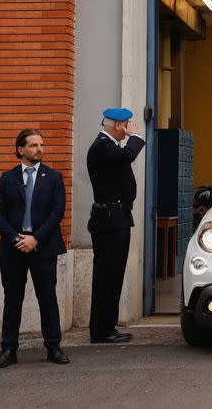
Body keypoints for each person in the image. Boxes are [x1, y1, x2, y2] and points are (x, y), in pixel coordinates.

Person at [0, 129, 69, 368]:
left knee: (47, 298)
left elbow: (57, 213)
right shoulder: (7, 178)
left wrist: (35, 239)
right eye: (34, 145)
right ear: (20, 149)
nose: (40, 150)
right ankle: (8, 349)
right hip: (13, 249)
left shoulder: (54, 177)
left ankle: (53, 346)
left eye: (41, 145)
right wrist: (16, 239)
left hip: (43, 247)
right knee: (13, 298)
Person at [87, 108, 145, 344]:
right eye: (129, 124)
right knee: (107, 276)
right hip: (110, 220)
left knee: (113, 275)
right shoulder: (103, 146)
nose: (131, 128)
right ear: (120, 125)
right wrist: (136, 137)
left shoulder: (109, 146)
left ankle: (106, 326)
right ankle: (102, 330)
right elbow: (127, 157)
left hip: (117, 218)